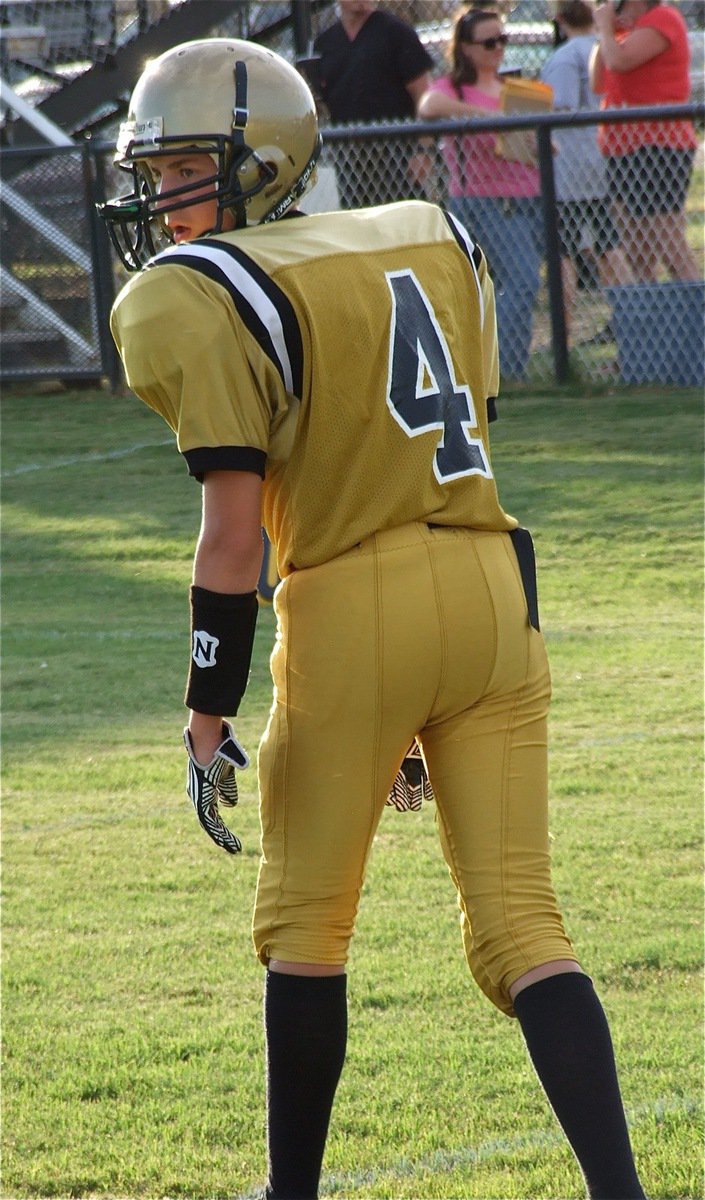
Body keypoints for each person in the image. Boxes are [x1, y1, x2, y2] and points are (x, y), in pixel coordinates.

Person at [100, 37, 647, 1200]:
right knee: (523, 930)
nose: (158, 195)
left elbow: (234, 537)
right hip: (496, 593)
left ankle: (291, 1192)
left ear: (259, 164)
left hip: (352, 602)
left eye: (182, 168)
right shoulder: (423, 235)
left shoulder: (204, 294)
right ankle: (623, 1190)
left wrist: (206, 714)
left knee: (306, 925)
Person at [417, 7, 545, 380]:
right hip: (485, 201)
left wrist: (536, 142)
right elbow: (429, 106)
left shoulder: (513, 89)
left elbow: (537, 145)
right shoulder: (453, 89)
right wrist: (486, 117)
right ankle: (503, 373)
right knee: (522, 281)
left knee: (512, 286)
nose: (498, 49)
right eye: (489, 42)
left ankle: (503, 368)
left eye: (503, 40)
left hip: (529, 198)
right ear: (466, 48)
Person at [540, 0, 634, 343]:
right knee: (608, 244)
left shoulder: (564, 58)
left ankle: (561, 334)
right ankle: (631, 315)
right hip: (600, 163)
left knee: (563, 251)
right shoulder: (602, 47)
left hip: (570, 170)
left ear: (560, 19)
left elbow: (559, 107)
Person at [590, 0, 700, 282]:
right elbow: (598, 82)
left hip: (657, 147)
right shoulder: (624, 33)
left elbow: (619, 61)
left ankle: (696, 321)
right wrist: (608, 32)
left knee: (671, 247)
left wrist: (605, 27)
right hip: (620, 148)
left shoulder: (663, 18)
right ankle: (647, 323)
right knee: (637, 253)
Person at [312, 0, 434, 207]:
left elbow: (423, 97)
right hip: (349, 156)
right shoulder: (325, 42)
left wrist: (424, 151)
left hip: (396, 154)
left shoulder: (396, 33)